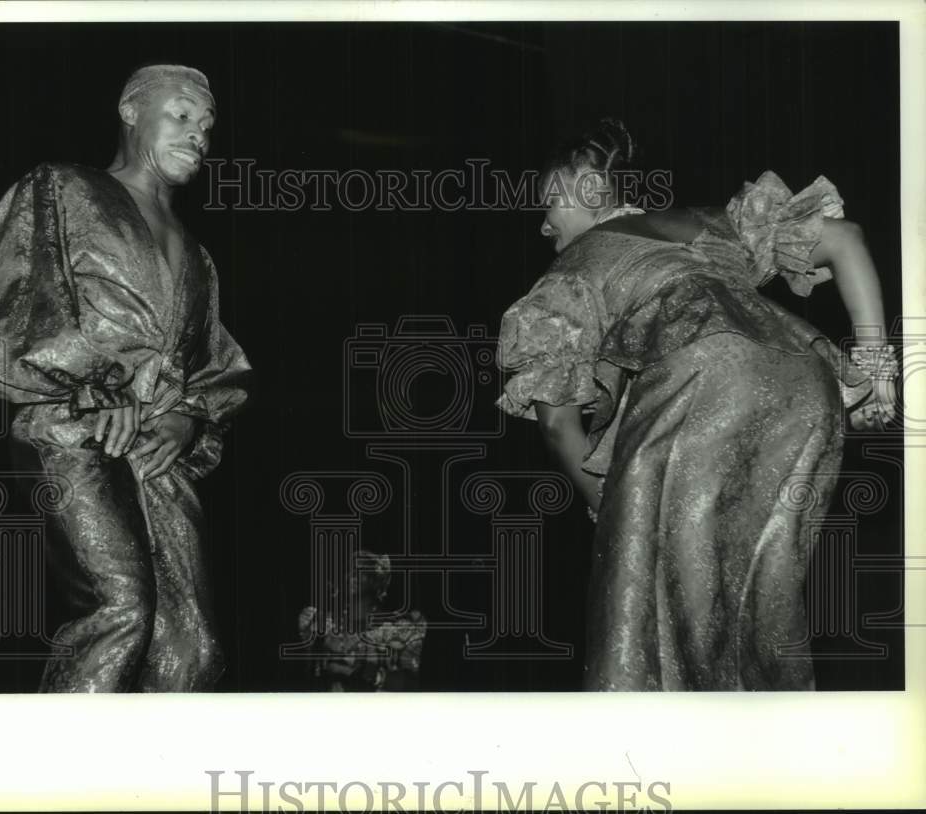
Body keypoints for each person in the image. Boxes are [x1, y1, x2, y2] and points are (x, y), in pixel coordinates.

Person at [496, 119, 898, 691]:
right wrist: (878, 364)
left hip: (701, 382)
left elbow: (559, 426)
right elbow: (848, 237)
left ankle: (657, 753)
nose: (543, 224)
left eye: (550, 203)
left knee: (640, 597)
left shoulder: (573, 268)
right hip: (805, 384)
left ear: (588, 189)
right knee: (758, 591)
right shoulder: (707, 223)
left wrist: (607, 509)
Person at [0, 65, 252, 692]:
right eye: (183, 113)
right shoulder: (62, 189)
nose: (200, 134)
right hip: (73, 429)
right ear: (129, 110)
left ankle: (153, 783)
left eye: (207, 124)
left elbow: (217, 366)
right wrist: (97, 383)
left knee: (193, 647)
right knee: (120, 608)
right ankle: (61, 781)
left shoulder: (198, 255)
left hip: (160, 460)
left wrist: (188, 415)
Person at [297, 550, 427, 691]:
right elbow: (306, 676)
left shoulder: (399, 630)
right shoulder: (323, 623)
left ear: (377, 579)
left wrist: (363, 673)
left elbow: (412, 685)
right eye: (350, 570)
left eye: (362, 570)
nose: (353, 575)